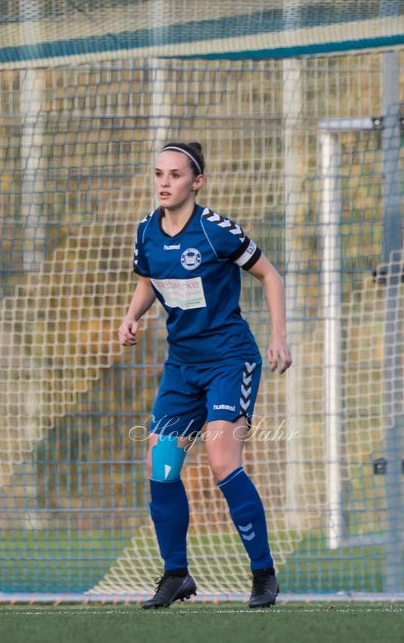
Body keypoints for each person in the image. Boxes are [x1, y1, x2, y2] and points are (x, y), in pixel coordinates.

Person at [117, 142, 292, 609]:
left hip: (229, 360)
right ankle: (176, 575)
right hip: (182, 367)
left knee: (221, 461)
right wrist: (132, 315)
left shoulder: (216, 231)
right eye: (158, 173)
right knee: (162, 466)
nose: (164, 182)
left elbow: (271, 276)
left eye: (175, 174)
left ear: (197, 181)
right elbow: (149, 279)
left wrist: (279, 336)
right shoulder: (146, 232)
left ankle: (263, 575)